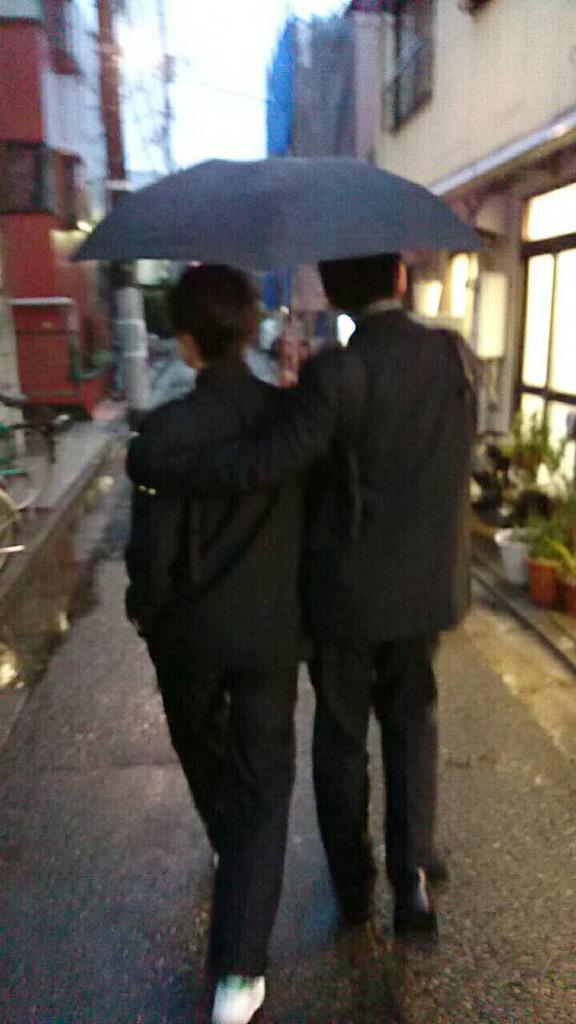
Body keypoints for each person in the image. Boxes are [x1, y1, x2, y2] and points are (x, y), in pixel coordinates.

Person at [128, 253, 477, 941]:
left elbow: (270, 462)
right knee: (414, 721)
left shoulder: (336, 373)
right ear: (400, 280)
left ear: (335, 293)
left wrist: (158, 459)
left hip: (344, 593)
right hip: (429, 583)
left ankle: (354, 888)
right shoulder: (453, 356)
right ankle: (411, 880)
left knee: (342, 737)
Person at [125, 265, 305, 1024]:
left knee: (204, 752)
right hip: (269, 633)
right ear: (253, 328)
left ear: (187, 343)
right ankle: (238, 973)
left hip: (188, 636)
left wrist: (147, 614)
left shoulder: (167, 431)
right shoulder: (289, 422)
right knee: (264, 783)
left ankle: (236, 855)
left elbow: (151, 551)